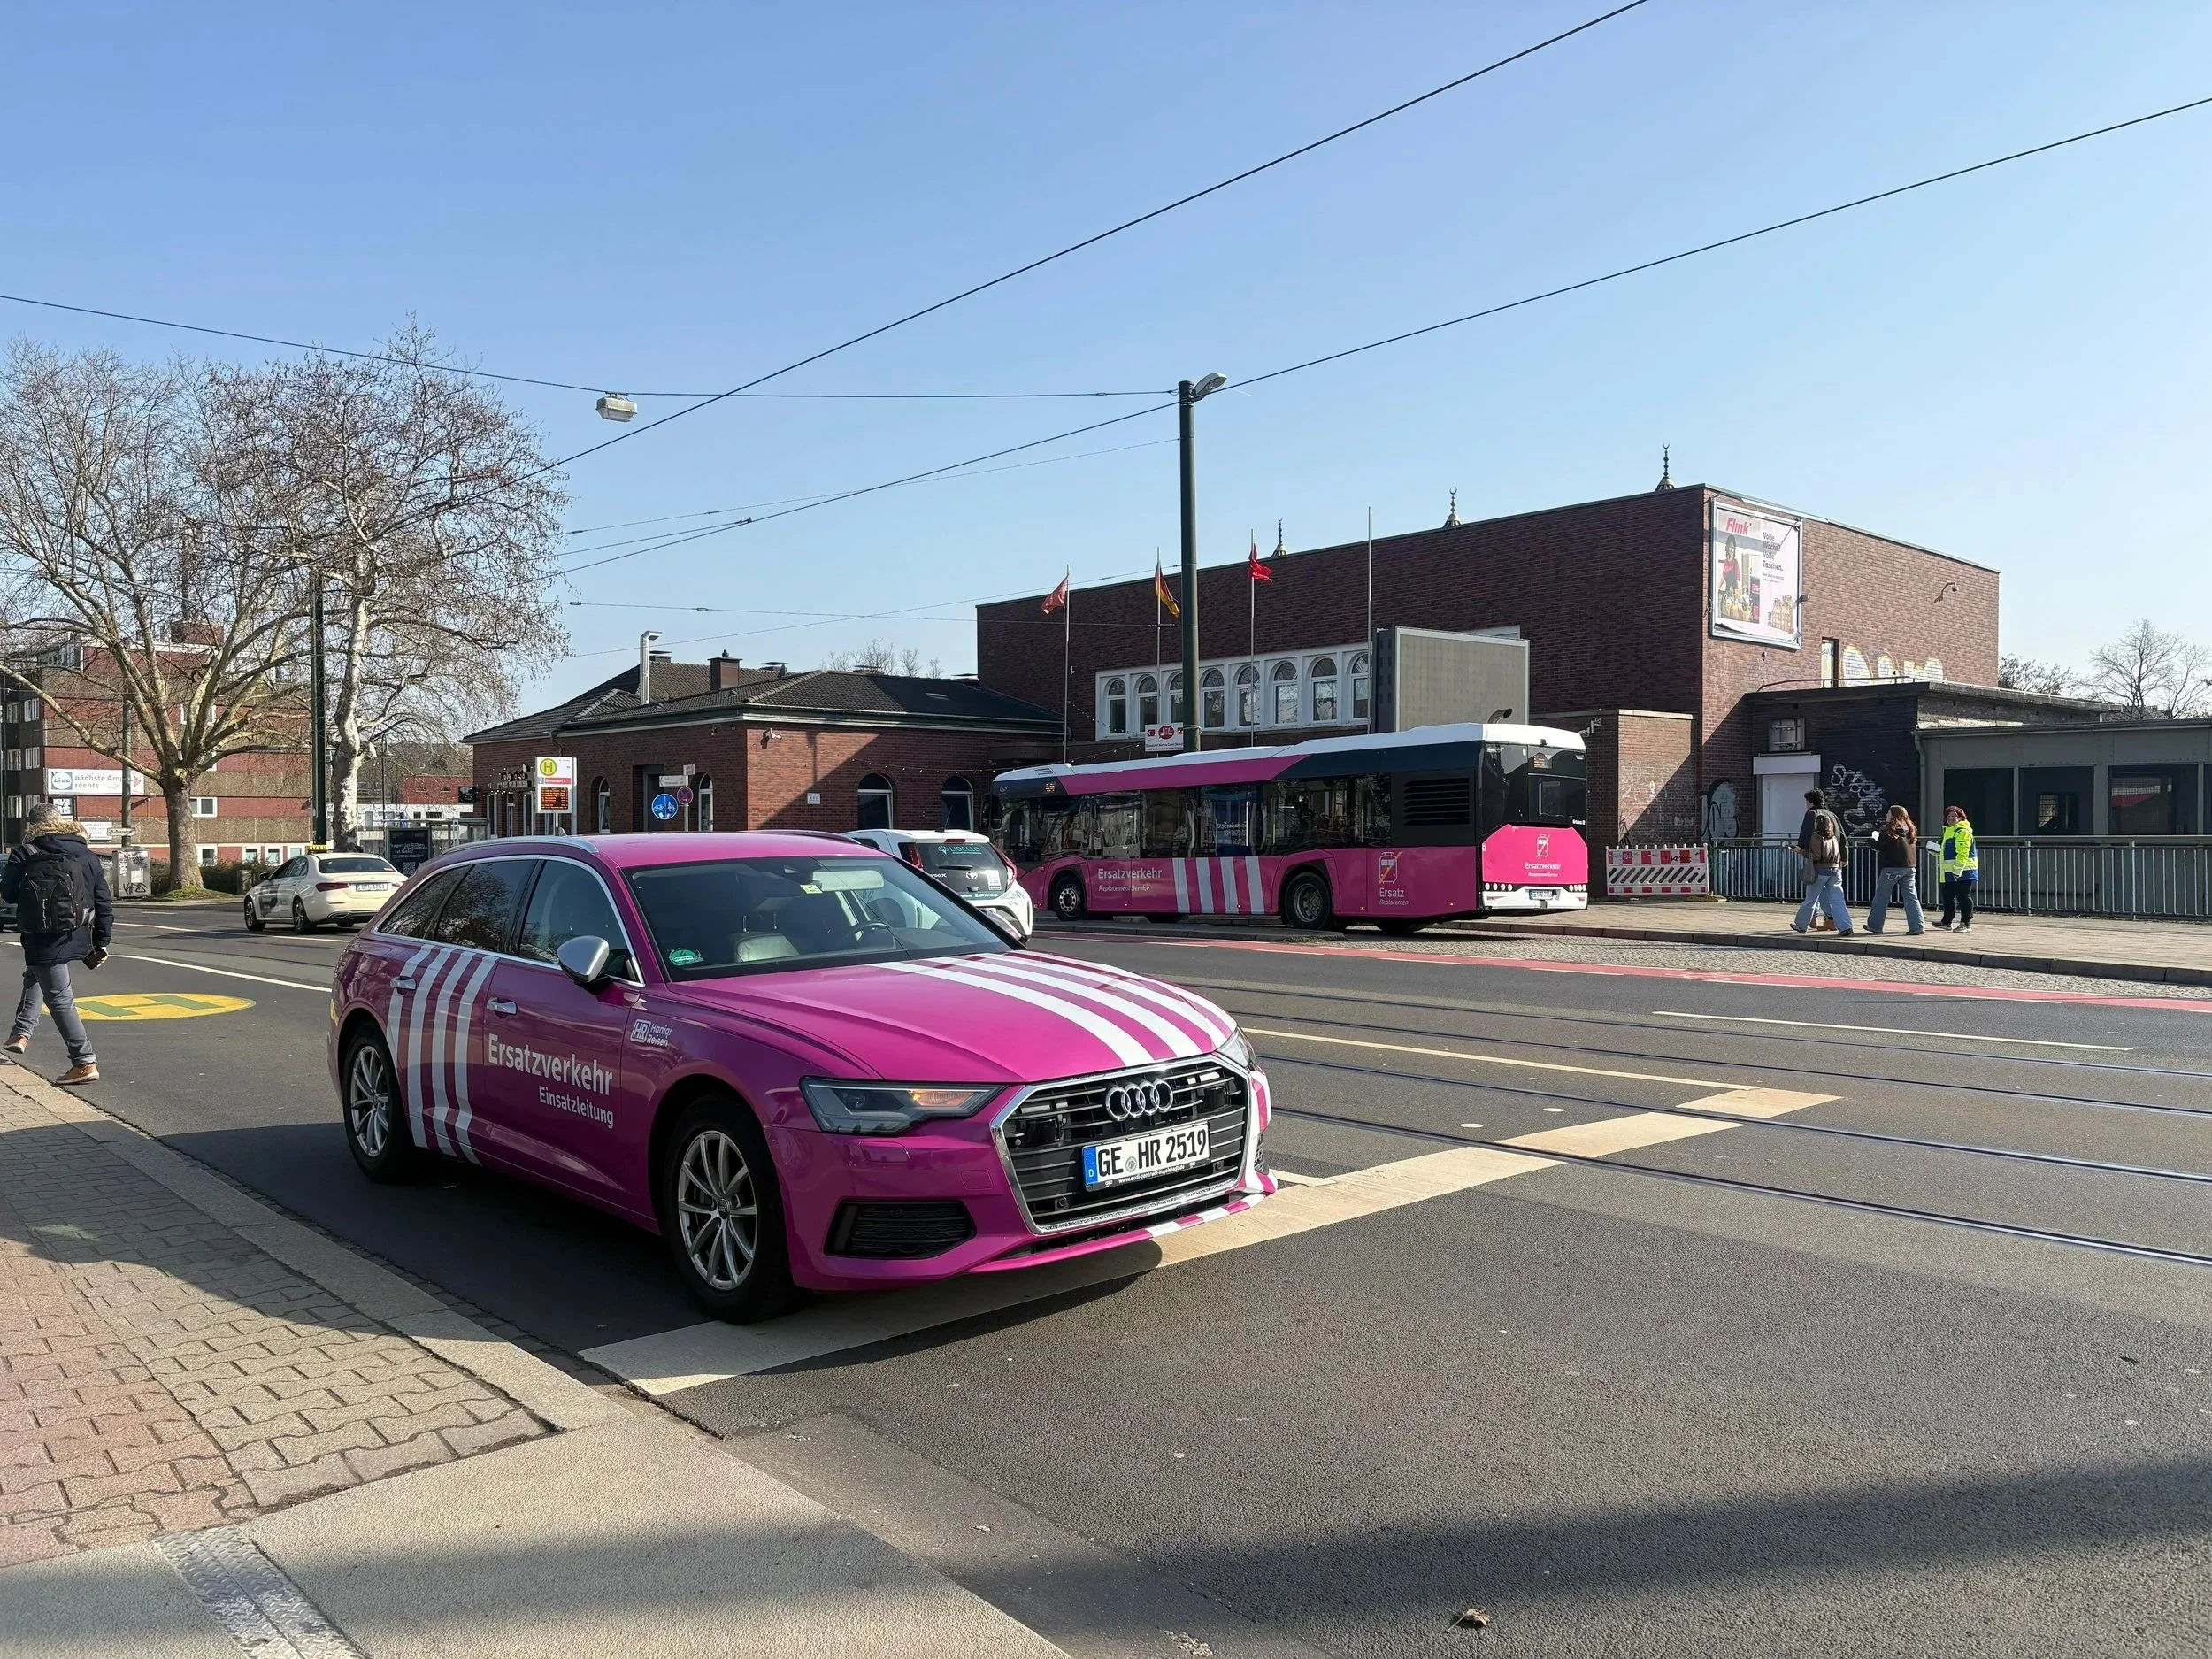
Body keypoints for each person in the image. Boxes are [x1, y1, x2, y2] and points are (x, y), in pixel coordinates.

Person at [1, 803, 113, 1084]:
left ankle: (84, 1062)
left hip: (41, 935)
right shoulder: (85, 853)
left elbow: (10, 894)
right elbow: (102, 900)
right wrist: (102, 940)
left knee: (60, 999)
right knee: (37, 974)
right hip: (76, 932)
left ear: (32, 826)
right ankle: (21, 1033)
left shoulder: (26, 853)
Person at [1790, 787, 1855, 936]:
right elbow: (1843, 838)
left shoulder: (1811, 815)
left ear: (1811, 801)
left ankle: (1801, 925)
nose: (1806, 804)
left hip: (1819, 867)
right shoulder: (1833, 816)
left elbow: (1805, 835)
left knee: (1811, 898)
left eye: (1806, 801)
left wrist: (1800, 849)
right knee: (1838, 898)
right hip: (1835, 865)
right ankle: (1845, 926)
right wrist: (1845, 858)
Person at [1866, 804, 1926, 935]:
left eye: (1888, 813)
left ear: (1894, 815)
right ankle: (1918, 926)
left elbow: (1879, 846)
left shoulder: (1890, 827)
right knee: (1911, 897)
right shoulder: (1910, 828)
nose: (1887, 815)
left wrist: (1872, 839)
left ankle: (1875, 926)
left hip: (1892, 867)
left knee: (1882, 896)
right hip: (1910, 866)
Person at [1939, 804, 1979, 931]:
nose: (1950, 818)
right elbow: (1948, 851)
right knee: (1948, 895)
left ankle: (1965, 923)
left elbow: (1963, 852)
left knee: (1963, 896)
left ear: (1961, 818)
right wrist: (1935, 851)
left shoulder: (1962, 832)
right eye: (1948, 816)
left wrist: (1958, 869)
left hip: (1963, 871)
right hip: (1951, 871)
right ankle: (1946, 922)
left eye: (1954, 816)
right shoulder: (1949, 831)